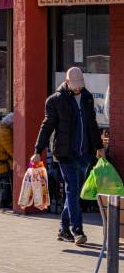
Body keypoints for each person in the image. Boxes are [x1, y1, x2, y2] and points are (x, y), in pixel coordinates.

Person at [32, 67, 105, 245]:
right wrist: (37, 151)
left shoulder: (87, 97)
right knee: (72, 188)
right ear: (67, 82)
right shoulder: (55, 100)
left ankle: (63, 229)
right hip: (64, 153)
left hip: (83, 153)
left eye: (80, 85)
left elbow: (92, 124)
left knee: (75, 192)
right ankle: (77, 230)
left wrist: (99, 146)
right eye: (75, 86)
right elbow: (47, 126)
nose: (78, 89)